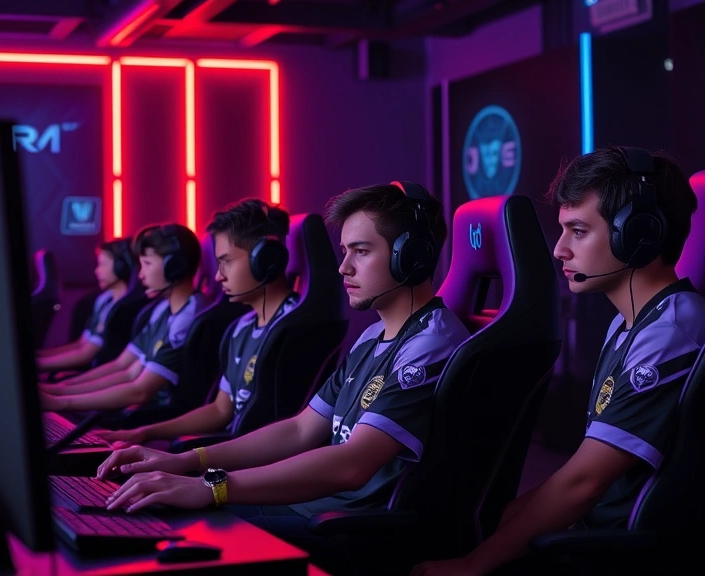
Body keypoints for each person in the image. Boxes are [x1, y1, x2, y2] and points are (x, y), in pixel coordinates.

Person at [94, 182, 470, 569]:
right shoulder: (373, 336)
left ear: (411, 257)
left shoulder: (429, 345)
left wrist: (212, 485)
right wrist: (186, 461)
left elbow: (352, 464)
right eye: (344, 252)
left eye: (360, 251)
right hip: (311, 509)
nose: (344, 267)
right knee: (147, 516)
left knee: (182, 532)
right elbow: (300, 430)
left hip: (349, 529)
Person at [411, 147, 705, 575]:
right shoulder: (631, 324)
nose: (559, 250)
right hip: (596, 533)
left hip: (617, 553)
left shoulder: (670, 334)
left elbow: (585, 482)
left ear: (639, 234)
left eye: (578, 231)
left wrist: (472, 565)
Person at [96, 199, 297, 446]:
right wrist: (144, 433)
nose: (217, 275)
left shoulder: (293, 331)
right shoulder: (242, 328)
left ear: (265, 259)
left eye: (227, 261)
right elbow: (221, 410)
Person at [39, 223, 207, 412]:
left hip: (153, 418)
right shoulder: (161, 310)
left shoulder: (187, 318)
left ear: (174, 268)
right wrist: (59, 390)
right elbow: (125, 369)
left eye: (148, 264)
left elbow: (139, 391)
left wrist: (62, 401)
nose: (141, 275)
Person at [35, 240, 132, 372]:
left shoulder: (124, 309)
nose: (97, 271)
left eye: (102, 265)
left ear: (120, 267)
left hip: (104, 375)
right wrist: (40, 357)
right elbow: (81, 344)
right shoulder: (104, 300)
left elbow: (85, 354)